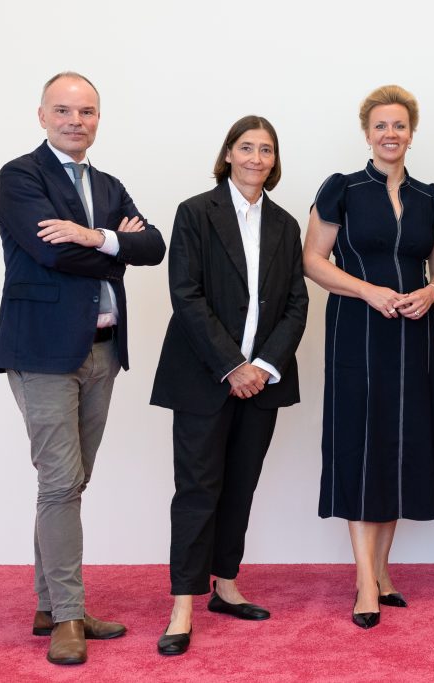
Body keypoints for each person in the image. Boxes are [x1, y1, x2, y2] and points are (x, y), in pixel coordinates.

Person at [0, 72, 166, 665]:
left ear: (98, 118)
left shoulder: (109, 185)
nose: (76, 121)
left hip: (102, 352)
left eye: (86, 111)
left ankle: (49, 604)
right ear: (42, 115)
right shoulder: (21, 176)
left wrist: (92, 236)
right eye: (63, 110)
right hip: (42, 351)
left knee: (69, 483)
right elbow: (49, 250)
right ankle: (68, 615)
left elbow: (153, 247)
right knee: (61, 483)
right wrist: (115, 246)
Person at [150, 116, 308, 654]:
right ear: (228, 154)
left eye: (266, 150)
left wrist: (261, 365)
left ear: (274, 160)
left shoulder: (285, 224)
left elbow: (296, 303)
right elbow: (185, 295)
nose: (256, 158)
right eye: (246, 147)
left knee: (241, 484)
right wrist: (231, 365)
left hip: (263, 381)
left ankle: (227, 584)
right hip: (204, 378)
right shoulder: (196, 212)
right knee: (198, 490)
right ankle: (182, 603)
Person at [303, 85, 434, 629]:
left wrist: (430, 293)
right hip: (356, 333)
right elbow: (312, 260)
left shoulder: (431, 197)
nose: (391, 134)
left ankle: (383, 572)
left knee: (398, 448)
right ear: (367, 133)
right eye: (381, 126)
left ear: (412, 132)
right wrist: (368, 291)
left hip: (412, 336)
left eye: (400, 125)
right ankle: (365, 581)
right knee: (360, 446)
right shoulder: (341, 189)